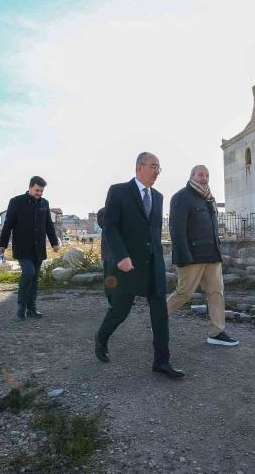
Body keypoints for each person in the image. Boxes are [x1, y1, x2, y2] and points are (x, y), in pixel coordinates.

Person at [94, 152, 184, 379]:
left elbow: (152, 232)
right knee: (120, 311)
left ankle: (162, 361)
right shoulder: (119, 191)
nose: (156, 171)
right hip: (128, 265)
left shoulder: (159, 196)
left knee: (160, 314)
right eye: (153, 166)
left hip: (153, 265)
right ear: (138, 167)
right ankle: (101, 337)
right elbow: (111, 227)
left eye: (159, 168)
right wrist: (120, 255)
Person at [166, 165, 239, 346]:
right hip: (192, 256)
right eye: (200, 174)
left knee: (216, 293)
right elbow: (176, 229)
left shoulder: (209, 198)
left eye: (207, 175)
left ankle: (216, 332)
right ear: (192, 176)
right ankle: (157, 319)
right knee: (184, 294)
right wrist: (183, 256)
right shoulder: (181, 197)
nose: (204, 178)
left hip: (212, 255)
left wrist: (217, 250)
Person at [0, 176, 61, 319]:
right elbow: (8, 225)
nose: (39, 193)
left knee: (34, 278)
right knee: (28, 273)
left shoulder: (44, 203)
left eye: (42, 191)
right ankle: (21, 307)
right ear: (30, 187)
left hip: (38, 248)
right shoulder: (16, 201)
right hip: (22, 247)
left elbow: (48, 225)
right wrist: (2, 244)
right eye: (37, 190)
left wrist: (54, 242)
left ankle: (32, 308)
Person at [96, 207, 113, 306]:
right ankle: (111, 298)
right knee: (109, 274)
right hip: (108, 249)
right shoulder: (103, 211)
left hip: (125, 249)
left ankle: (124, 297)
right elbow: (104, 225)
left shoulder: (126, 208)